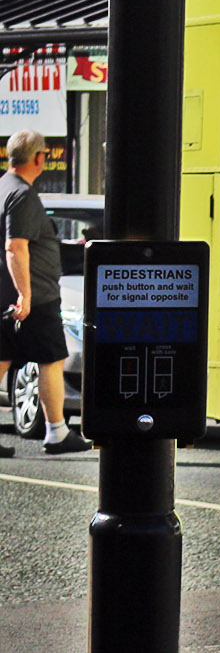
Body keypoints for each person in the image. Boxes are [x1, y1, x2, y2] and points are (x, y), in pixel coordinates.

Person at [3, 129, 90, 454]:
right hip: (33, 297)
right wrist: (25, 295)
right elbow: (15, 246)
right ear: (39, 158)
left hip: (11, 293)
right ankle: (56, 431)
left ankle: (57, 431)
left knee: (4, 358)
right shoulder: (22, 195)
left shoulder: (3, 188)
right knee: (51, 359)